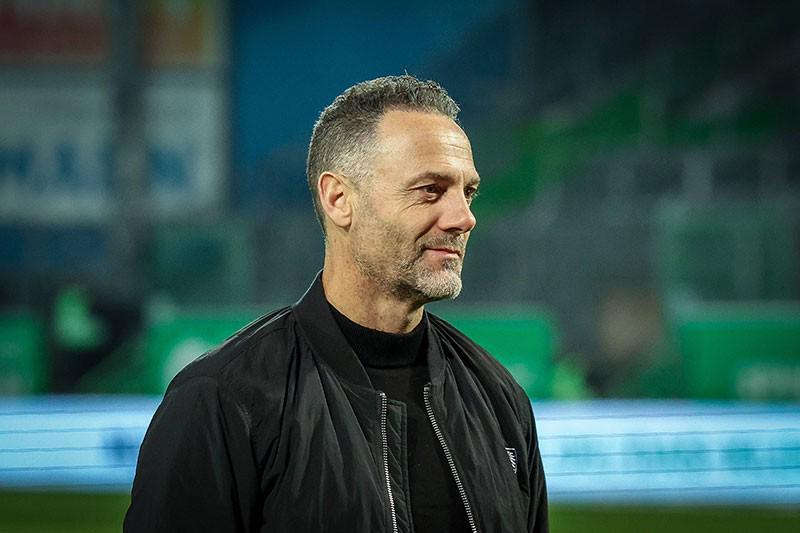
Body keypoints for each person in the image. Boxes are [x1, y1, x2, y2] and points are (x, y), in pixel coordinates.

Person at [124, 75, 549, 532]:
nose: (464, 218)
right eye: (430, 190)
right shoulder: (224, 398)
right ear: (339, 199)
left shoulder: (500, 398)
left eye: (468, 192)